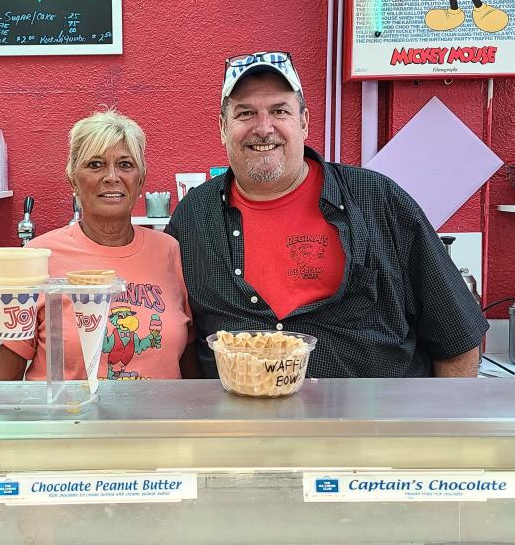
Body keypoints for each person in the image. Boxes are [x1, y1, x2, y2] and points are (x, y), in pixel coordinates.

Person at [165, 52, 487, 378]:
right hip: (244, 426)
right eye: (245, 113)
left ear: (303, 121)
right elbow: (172, 342)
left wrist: (443, 427)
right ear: (223, 128)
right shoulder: (193, 219)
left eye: (279, 111)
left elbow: (456, 338)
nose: (264, 128)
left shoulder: (378, 201)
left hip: (371, 426)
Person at [0, 110, 197, 381]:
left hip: (157, 422)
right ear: (73, 180)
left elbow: (190, 361)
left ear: (140, 181)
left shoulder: (169, 251)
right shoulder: (35, 259)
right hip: (69, 421)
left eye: (125, 165)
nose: (112, 176)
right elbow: (1, 381)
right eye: (95, 165)